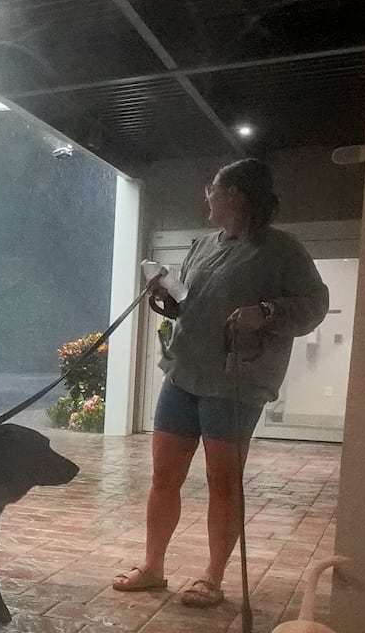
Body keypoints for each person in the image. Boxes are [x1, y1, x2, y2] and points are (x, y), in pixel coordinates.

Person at [113, 158, 329, 607]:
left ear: (233, 194)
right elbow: (190, 304)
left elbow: (314, 306)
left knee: (223, 482)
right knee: (163, 477)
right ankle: (153, 567)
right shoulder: (202, 245)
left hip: (236, 382)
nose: (205, 195)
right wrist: (165, 299)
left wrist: (267, 314)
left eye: (212, 187)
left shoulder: (282, 251)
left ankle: (212, 576)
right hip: (184, 375)